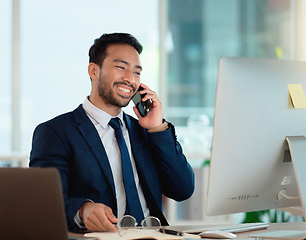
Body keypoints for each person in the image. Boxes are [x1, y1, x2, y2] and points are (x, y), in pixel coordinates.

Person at [30, 33, 195, 233]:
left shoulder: (146, 131)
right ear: (93, 70)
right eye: (121, 67)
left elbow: (182, 189)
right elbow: (46, 205)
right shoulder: (56, 132)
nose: (130, 79)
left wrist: (157, 127)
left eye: (137, 72)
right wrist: (82, 210)